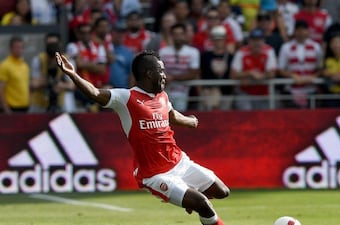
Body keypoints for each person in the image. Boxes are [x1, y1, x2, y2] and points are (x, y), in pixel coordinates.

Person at [55, 50, 229, 225]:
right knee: (202, 203)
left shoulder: (162, 97)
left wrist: (190, 121)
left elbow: (172, 116)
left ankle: (189, 197)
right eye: (161, 71)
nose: (165, 76)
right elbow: (94, 93)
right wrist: (72, 74)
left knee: (222, 191)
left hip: (180, 162)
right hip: (156, 175)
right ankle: (193, 200)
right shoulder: (126, 98)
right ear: (149, 73)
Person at [278, 20, 322, 108]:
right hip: (292, 89)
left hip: (311, 89)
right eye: (298, 30)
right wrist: (292, 75)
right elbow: (280, 69)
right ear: (294, 31)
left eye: (303, 30)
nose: (301, 32)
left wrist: (313, 76)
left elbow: (321, 68)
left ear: (308, 31)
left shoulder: (316, 47)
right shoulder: (286, 47)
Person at [231, 28, 277, 110]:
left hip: (263, 93)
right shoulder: (241, 52)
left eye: (259, 40)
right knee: (246, 115)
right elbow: (233, 74)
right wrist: (250, 73)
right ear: (249, 41)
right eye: (254, 40)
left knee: (264, 118)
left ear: (263, 41)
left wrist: (260, 77)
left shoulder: (269, 50)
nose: (257, 43)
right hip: (245, 92)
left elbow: (272, 73)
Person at [30, 33, 76, 113]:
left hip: (61, 101)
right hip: (41, 102)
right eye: (49, 44)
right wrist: (45, 81)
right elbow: (33, 84)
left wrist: (61, 85)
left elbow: (72, 85)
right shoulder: (38, 60)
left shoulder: (67, 61)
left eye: (54, 44)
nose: (52, 47)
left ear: (59, 44)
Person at [159, 23, 200, 112]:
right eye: (175, 34)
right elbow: (159, 71)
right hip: (165, 91)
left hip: (184, 92)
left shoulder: (193, 52)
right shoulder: (163, 52)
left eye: (180, 34)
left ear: (185, 35)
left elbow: (193, 74)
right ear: (171, 36)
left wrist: (173, 78)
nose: (178, 37)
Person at [0, 36, 30, 114]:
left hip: (25, 107)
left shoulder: (24, 65)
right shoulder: (5, 65)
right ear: (11, 48)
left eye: (21, 47)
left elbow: (26, 86)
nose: (19, 50)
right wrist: (6, 109)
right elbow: (1, 89)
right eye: (16, 47)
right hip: (12, 108)